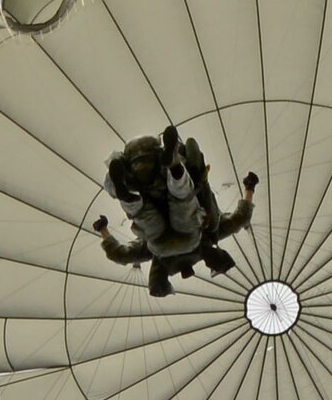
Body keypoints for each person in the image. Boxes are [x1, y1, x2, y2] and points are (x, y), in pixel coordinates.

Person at [94, 125, 258, 296]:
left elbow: (242, 218)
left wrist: (250, 187)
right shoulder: (153, 253)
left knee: (185, 202)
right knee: (143, 214)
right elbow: (119, 255)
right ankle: (131, 196)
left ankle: (175, 172)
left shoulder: (210, 237)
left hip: (187, 235)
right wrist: (102, 229)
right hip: (158, 242)